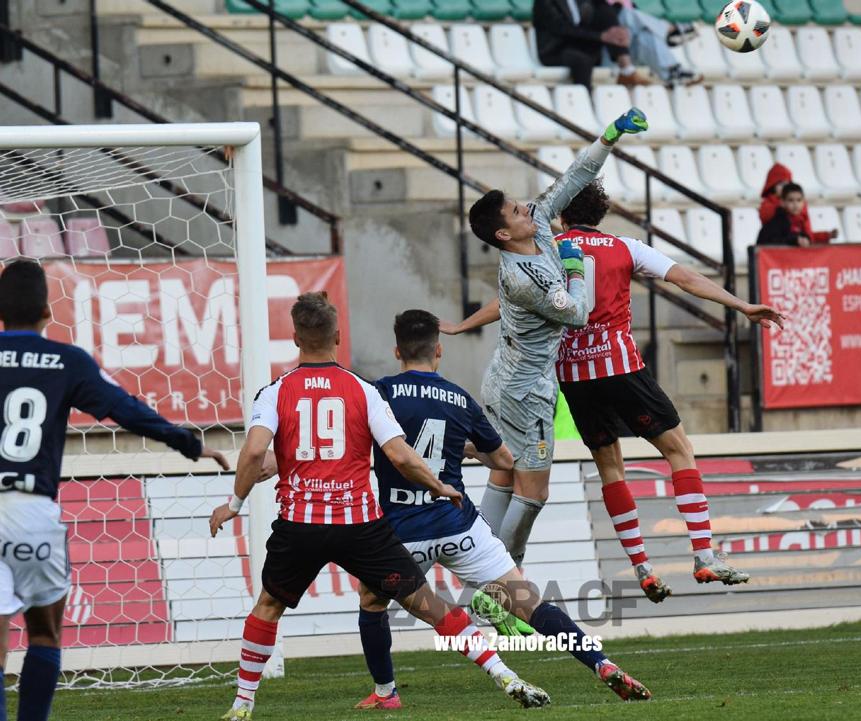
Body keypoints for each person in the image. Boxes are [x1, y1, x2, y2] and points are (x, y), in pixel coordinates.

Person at [209, 293, 550, 720]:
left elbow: (254, 452)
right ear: (337, 336)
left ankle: (242, 705)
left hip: (300, 525)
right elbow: (401, 455)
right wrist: (439, 486)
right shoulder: (362, 389)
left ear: (295, 338)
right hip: (360, 526)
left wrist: (234, 504)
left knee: (268, 607)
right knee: (426, 603)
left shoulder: (275, 392)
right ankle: (505, 675)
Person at [452, 182, 785, 603]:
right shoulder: (624, 246)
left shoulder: (546, 248)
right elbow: (684, 277)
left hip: (573, 374)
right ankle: (703, 554)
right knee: (678, 450)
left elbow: (508, 302)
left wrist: (463, 325)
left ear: (562, 216)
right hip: (620, 366)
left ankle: (642, 567)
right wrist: (741, 305)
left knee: (610, 466)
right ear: (600, 212)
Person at [352, 309, 651, 709]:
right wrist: (468, 448)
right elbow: (505, 461)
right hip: (459, 525)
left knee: (372, 605)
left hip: (404, 532)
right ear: (438, 351)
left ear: (396, 351)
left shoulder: (378, 393)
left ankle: (385, 693)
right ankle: (601, 663)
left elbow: (385, 447)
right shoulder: (459, 399)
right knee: (530, 604)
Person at [0, 260, 229, 721]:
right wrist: (189, 443)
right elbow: (126, 409)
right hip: (32, 512)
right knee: (43, 633)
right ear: (47, 311)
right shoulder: (68, 362)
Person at [454, 106, 647, 576]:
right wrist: (577, 266)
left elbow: (574, 176)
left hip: (505, 377)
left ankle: (481, 578)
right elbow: (578, 313)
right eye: (517, 210)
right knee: (534, 492)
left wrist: (609, 136)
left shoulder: (537, 224)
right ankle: (501, 581)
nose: (529, 207)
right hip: (526, 393)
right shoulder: (525, 277)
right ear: (504, 233)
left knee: (502, 472)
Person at [532, 0, 698, 89]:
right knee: (625, 15)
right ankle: (668, 31)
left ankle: (671, 73)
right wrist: (602, 36)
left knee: (643, 34)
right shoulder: (545, 1)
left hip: (601, 51)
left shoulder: (589, 2)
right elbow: (562, 29)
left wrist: (617, 34)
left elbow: (612, 15)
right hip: (561, 50)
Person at [758, 165, 838, 245]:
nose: (795, 204)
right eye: (790, 200)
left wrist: (826, 235)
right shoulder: (776, 214)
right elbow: (778, 239)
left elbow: (807, 235)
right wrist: (796, 240)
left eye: (799, 200)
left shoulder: (800, 214)